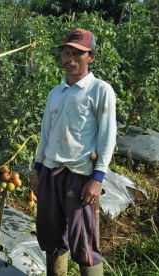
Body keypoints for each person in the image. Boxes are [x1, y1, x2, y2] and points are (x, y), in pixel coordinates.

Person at [30, 29, 116, 276]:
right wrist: (37, 169)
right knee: (50, 235)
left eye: (77, 53)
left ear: (92, 57)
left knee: (84, 243)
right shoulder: (55, 94)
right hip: (50, 172)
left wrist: (97, 178)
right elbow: (45, 135)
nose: (69, 58)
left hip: (79, 176)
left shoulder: (99, 90)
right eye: (66, 52)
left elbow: (107, 137)